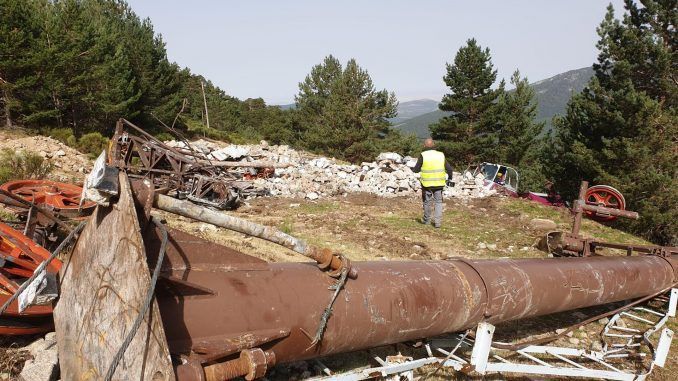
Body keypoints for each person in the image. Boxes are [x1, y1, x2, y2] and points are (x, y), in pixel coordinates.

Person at [411, 138, 454, 228]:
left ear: (424, 145)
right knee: (438, 202)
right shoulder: (441, 155)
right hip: (439, 183)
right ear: (434, 145)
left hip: (427, 184)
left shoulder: (423, 155)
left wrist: (414, 169)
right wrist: (449, 178)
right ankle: (437, 223)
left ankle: (426, 220)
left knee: (427, 202)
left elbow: (416, 170)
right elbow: (449, 169)